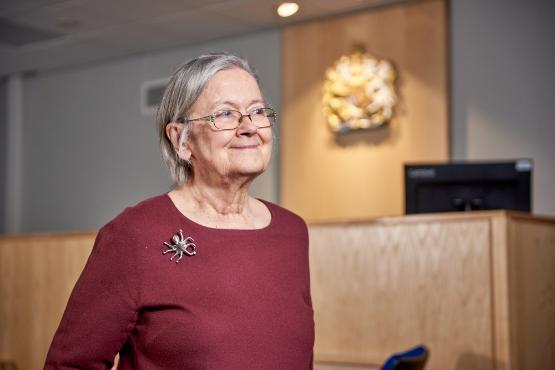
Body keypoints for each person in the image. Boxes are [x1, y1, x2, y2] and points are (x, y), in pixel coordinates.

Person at [44, 53, 315, 369]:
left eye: (257, 111)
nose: (249, 127)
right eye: (225, 114)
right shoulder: (134, 233)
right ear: (181, 140)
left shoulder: (291, 231)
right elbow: (70, 365)